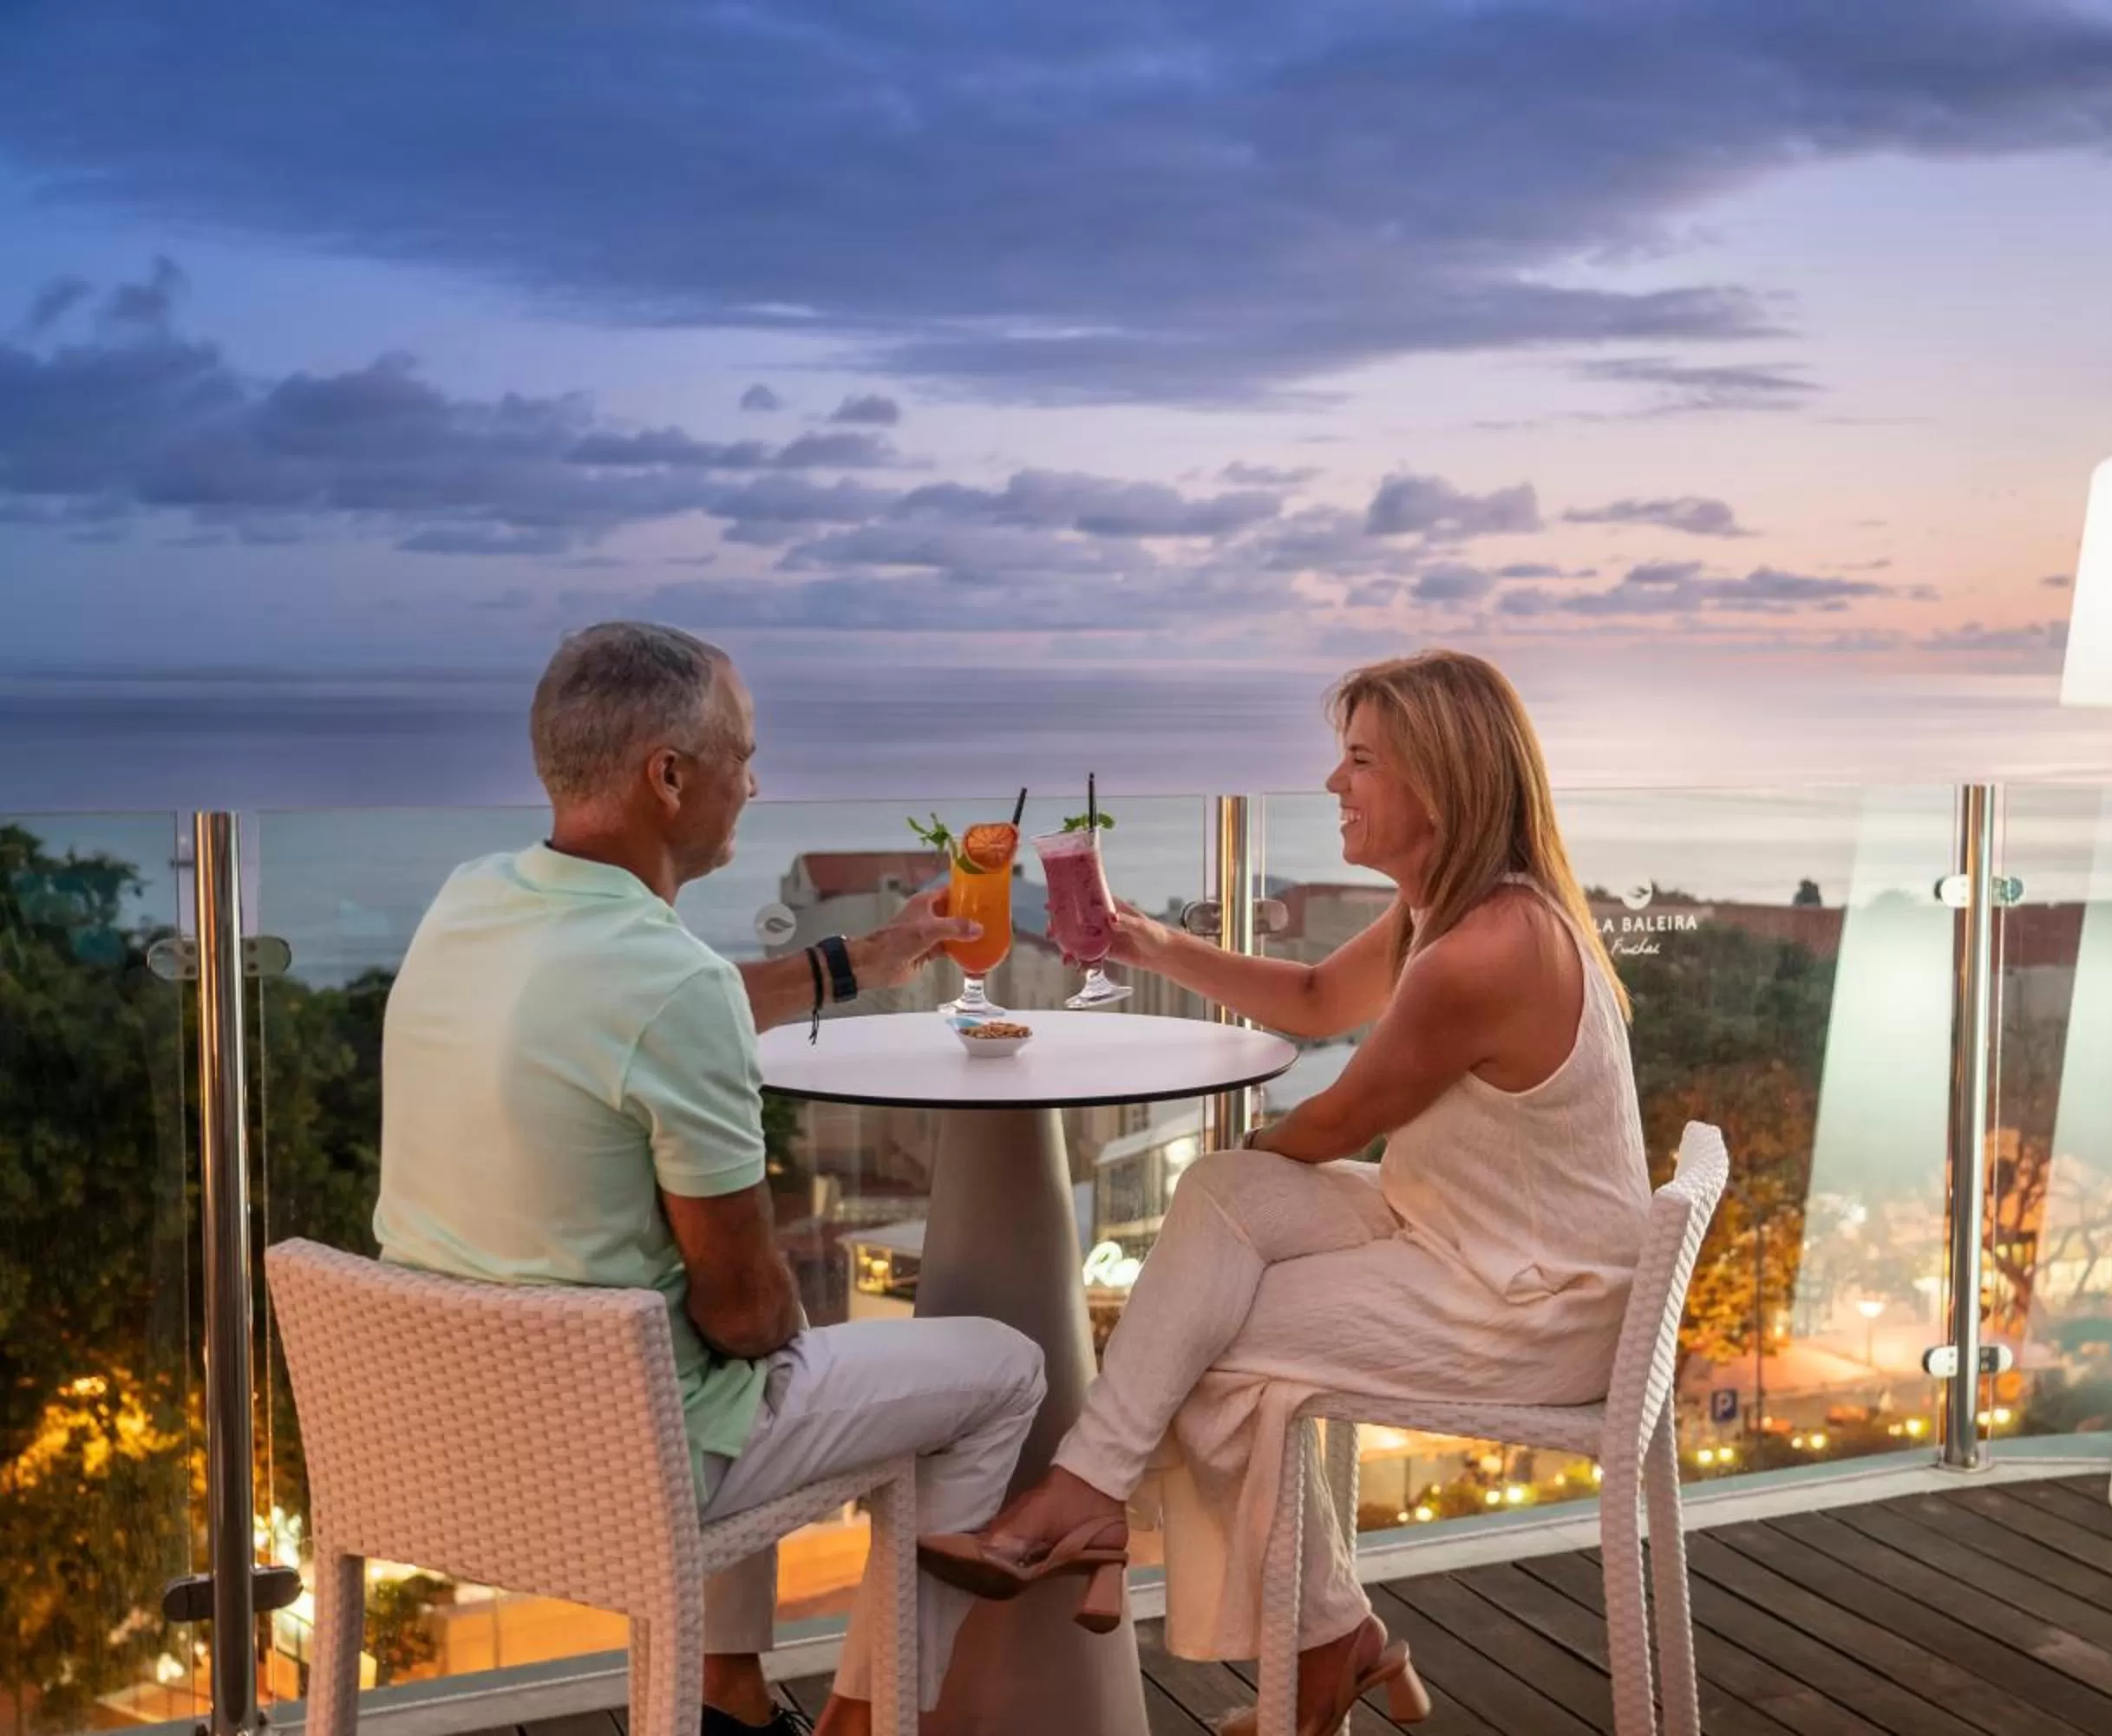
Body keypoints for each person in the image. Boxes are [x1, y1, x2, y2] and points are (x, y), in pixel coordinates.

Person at [920, 649, 1650, 1735]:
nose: (1331, 783)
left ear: (1440, 782)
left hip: (1538, 1307)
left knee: (1210, 1340)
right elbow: (1312, 999)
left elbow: (1338, 1121)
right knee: (1220, 1194)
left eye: (1359, 759)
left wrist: (1273, 1139)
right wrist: (1141, 939)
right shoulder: (1444, 913)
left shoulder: (1486, 950)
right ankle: (1208, 1571)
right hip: (1469, 1234)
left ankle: (1258, 1609)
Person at [376, 622, 1046, 1736]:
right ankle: (866, 1718)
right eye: (742, 752)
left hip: (448, 1434)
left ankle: (725, 1691)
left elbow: (645, 1002)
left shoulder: (472, 900)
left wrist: (856, 962)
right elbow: (743, 1318)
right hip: (627, 1461)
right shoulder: (673, 986)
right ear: (670, 776)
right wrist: (783, 1308)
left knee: (737, 1363)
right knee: (995, 1366)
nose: (756, 780)